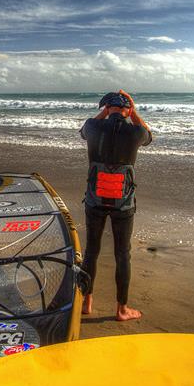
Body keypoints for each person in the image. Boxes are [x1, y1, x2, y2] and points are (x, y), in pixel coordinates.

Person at [80, 89, 152, 321]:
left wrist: (104, 112)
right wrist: (133, 110)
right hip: (123, 203)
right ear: (127, 110)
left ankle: (86, 302)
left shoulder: (93, 127)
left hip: (95, 200)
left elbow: (84, 130)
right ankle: (122, 310)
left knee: (92, 251)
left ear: (107, 108)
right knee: (123, 254)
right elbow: (149, 136)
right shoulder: (135, 131)